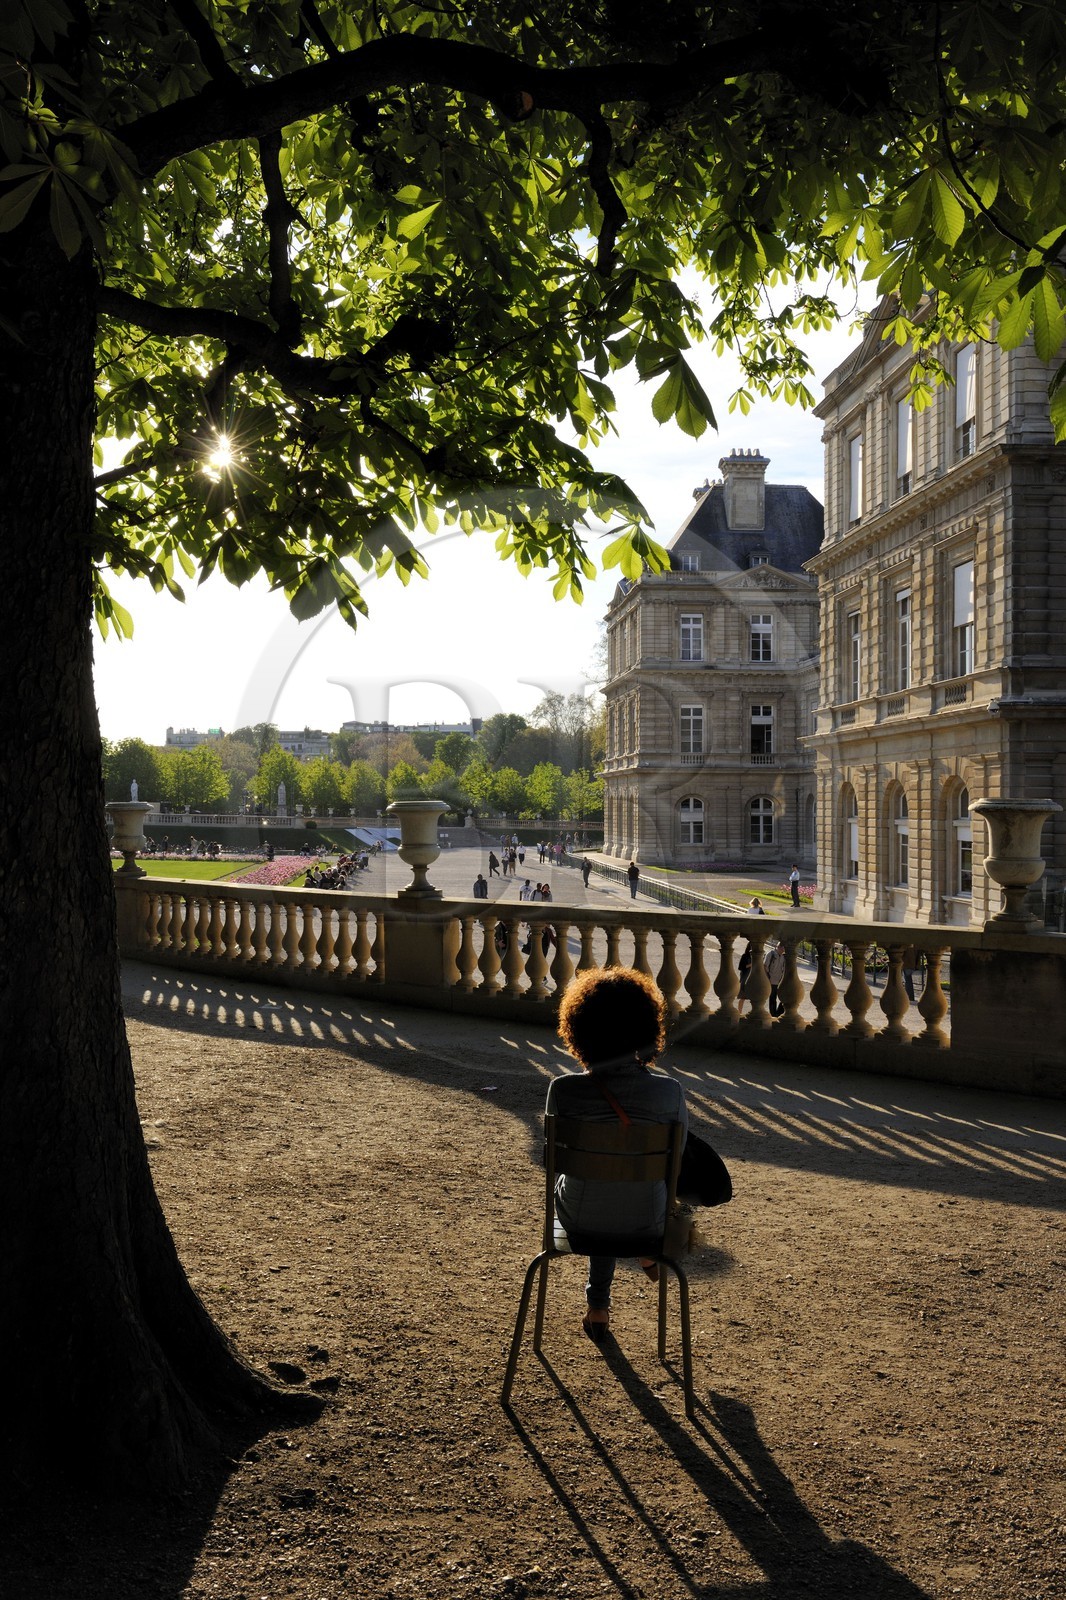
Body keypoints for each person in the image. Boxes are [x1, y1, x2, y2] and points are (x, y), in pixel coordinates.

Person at [546, 968, 688, 1344]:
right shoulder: (669, 1092)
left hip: (579, 1219)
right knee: (628, 1183)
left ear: (578, 1026)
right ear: (647, 1028)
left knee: (595, 1183)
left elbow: (552, 1163)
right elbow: (677, 1165)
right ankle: (644, 1253)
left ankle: (598, 1308)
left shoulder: (563, 1090)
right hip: (647, 1219)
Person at [765, 939, 787, 1017]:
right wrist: (768, 978)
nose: (783, 950)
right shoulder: (770, 954)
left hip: (780, 981)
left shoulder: (783, 957)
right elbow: (765, 966)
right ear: (778, 947)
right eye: (782, 948)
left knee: (784, 998)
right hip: (771, 980)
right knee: (772, 998)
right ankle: (773, 1014)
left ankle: (778, 1012)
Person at [736, 941, 754, 1017]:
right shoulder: (745, 956)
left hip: (752, 979)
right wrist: (750, 965)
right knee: (743, 997)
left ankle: (754, 1013)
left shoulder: (756, 957)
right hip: (744, 978)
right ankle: (739, 1013)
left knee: (754, 998)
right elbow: (740, 967)